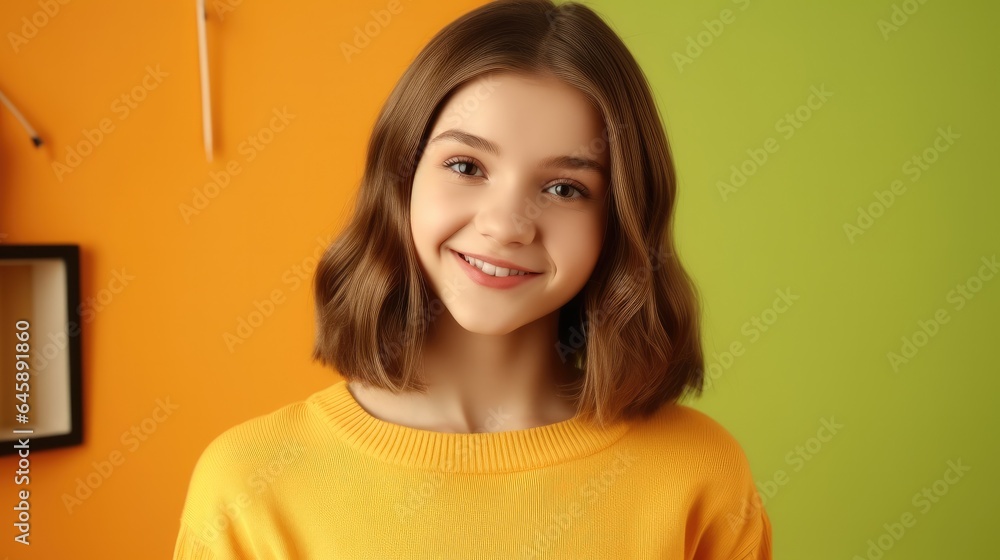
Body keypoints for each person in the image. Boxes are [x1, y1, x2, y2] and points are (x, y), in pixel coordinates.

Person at [173, 1, 773, 558]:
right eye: (467, 166)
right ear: (401, 177)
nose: (507, 225)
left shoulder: (698, 474)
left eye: (565, 188)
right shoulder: (249, 484)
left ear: (620, 220)